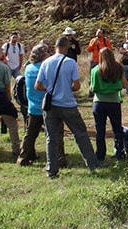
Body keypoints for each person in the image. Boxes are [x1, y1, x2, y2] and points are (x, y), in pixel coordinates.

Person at [36, 37, 100, 178]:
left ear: (55, 47)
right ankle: (92, 164)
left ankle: (51, 170)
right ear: (66, 47)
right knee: (80, 134)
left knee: (51, 138)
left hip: (51, 105)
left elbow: (38, 85)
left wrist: (50, 89)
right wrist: (66, 89)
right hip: (67, 104)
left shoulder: (46, 62)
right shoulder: (70, 62)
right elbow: (77, 86)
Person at [91, 47, 128, 162]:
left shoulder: (95, 70)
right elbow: (125, 85)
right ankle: (119, 152)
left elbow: (93, 88)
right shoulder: (118, 68)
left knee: (100, 130)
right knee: (117, 129)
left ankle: (100, 154)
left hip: (99, 102)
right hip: (113, 102)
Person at [16, 43, 50, 166]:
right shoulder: (46, 67)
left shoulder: (29, 68)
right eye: (46, 53)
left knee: (29, 135)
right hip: (47, 106)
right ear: (42, 55)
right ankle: (58, 159)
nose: (48, 55)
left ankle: (23, 158)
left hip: (33, 106)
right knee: (54, 134)